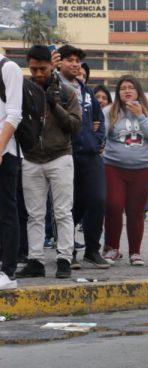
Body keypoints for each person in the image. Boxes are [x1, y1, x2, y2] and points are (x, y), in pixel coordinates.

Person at [15, 46, 81, 280]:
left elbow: (75, 125)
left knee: (62, 212)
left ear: (52, 66)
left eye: (42, 68)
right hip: (31, 157)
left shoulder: (67, 92)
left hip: (60, 156)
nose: (38, 73)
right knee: (34, 214)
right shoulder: (22, 89)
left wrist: (55, 105)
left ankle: (64, 259)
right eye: (33, 69)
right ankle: (36, 261)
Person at [56, 44, 111, 270]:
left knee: (97, 199)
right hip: (65, 154)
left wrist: (98, 140)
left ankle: (92, 250)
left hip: (90, 155)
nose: (75, 64)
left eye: (78, 60)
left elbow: (100, 121)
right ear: (59, 62)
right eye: (70, 59)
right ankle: (68, 253)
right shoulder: (54, 87)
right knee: (70, 205)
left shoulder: (86, 91)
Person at [102, 75, 148, 266]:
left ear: (138, 91)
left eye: (131, 88)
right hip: (114, 167)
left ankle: (135, 252)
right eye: (122, 88)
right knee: (113, 205)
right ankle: (112, 248)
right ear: (118, 93)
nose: (127, 91)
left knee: (136, 211)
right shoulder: (108, 111)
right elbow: (101, 137)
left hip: (142, 170)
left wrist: (141, 116)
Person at [0, 49, 23, 289]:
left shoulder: (9, 69)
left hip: (6, 152)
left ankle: (8, 272)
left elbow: (14, 115)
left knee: (7, 211)